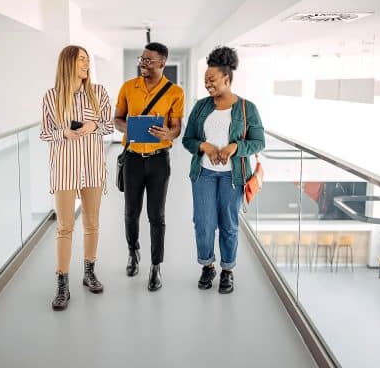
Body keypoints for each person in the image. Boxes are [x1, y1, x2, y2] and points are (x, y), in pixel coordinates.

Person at [182, 46, 265, 294]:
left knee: (229, 225)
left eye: (212, 80)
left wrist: (233, 147)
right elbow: (188, 139)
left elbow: (259, 142)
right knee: (204, 224)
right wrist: (203, 146)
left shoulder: (247, 108)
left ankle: (227, 270)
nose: (208, 84)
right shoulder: (201, 107)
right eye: (205, 80)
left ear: (226, 79)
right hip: (203, 174)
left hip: (233, 176)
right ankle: (207, 266)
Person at [40, 45, 114, 310]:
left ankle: (89, 272)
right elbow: (45, 132)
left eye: (87, 60)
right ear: (68, 63)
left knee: (92, 223)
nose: (86, 63)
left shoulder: (99, 93)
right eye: (81, 59)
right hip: (65, 169)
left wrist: (93, 125)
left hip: (93, 168)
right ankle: (62, 284)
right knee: (64, 227)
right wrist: (64, 134)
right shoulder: (52, 97)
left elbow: (109, 125)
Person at [114, 42, 184, 291]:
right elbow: (117, 119)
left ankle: (156, 266)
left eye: (149, 60)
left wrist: (169, 133)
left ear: (162, 63)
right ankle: (133, 252)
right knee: (131, 213)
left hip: (158, 159)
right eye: (141, 60)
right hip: (132, 158)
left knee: (157, 215)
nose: (143, 63)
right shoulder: (127, 88)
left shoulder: (175, 92)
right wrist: (130, 127)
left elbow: (176, 128)